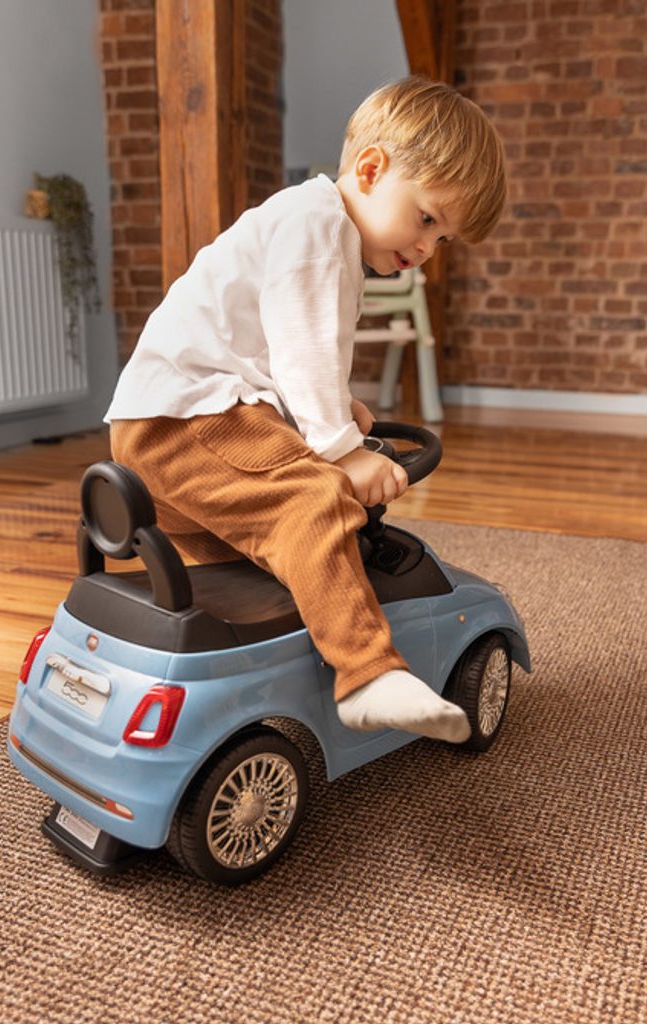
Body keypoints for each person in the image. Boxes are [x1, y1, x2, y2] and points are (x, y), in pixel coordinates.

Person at [106, 75, 506, 742]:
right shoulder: (319, 227)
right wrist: (340, 451)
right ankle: (367, 675)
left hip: (174, 416)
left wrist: (336, 408)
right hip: (186, 418)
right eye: (427, 219)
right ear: (371, 170)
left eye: (442, 241)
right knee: (316, 502)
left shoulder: (313, 225)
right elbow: (305, 346)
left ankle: (259, 643)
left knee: (260, 545)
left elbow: (282, 348)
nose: (425, 252)